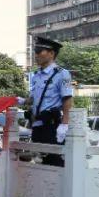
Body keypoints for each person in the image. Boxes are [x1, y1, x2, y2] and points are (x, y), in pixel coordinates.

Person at [27, 35, 73, 177]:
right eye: (35, 50)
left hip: (52, 126)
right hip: (37, 125)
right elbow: (35, 99)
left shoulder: (61, 74)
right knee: (40, 166)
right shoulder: (36, 75)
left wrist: (64, 124)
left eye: (40, 50)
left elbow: (67, 99)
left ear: (51, 53)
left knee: (55, 165)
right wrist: (23, 100)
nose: (36, 54)